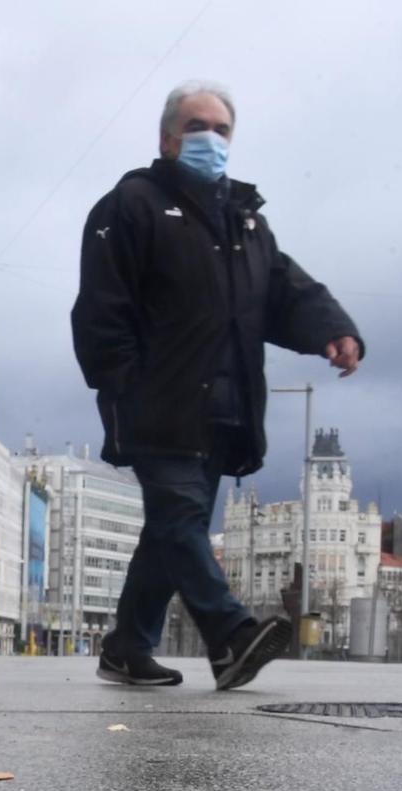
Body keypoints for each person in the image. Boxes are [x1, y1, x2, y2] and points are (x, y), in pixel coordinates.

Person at [71, 80, 363, 689]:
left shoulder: (246, 223)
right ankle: (231, 635)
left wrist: (332, 329)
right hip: (155, 403)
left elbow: (284, 291)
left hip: (224, 409)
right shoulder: (130, 206)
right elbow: (101, 308)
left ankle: (127, 648)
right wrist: (122, 386)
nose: (210, 138)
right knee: (178, 519)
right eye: (196, 126)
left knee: (172, 532)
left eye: (221, 128)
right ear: (167, 137)